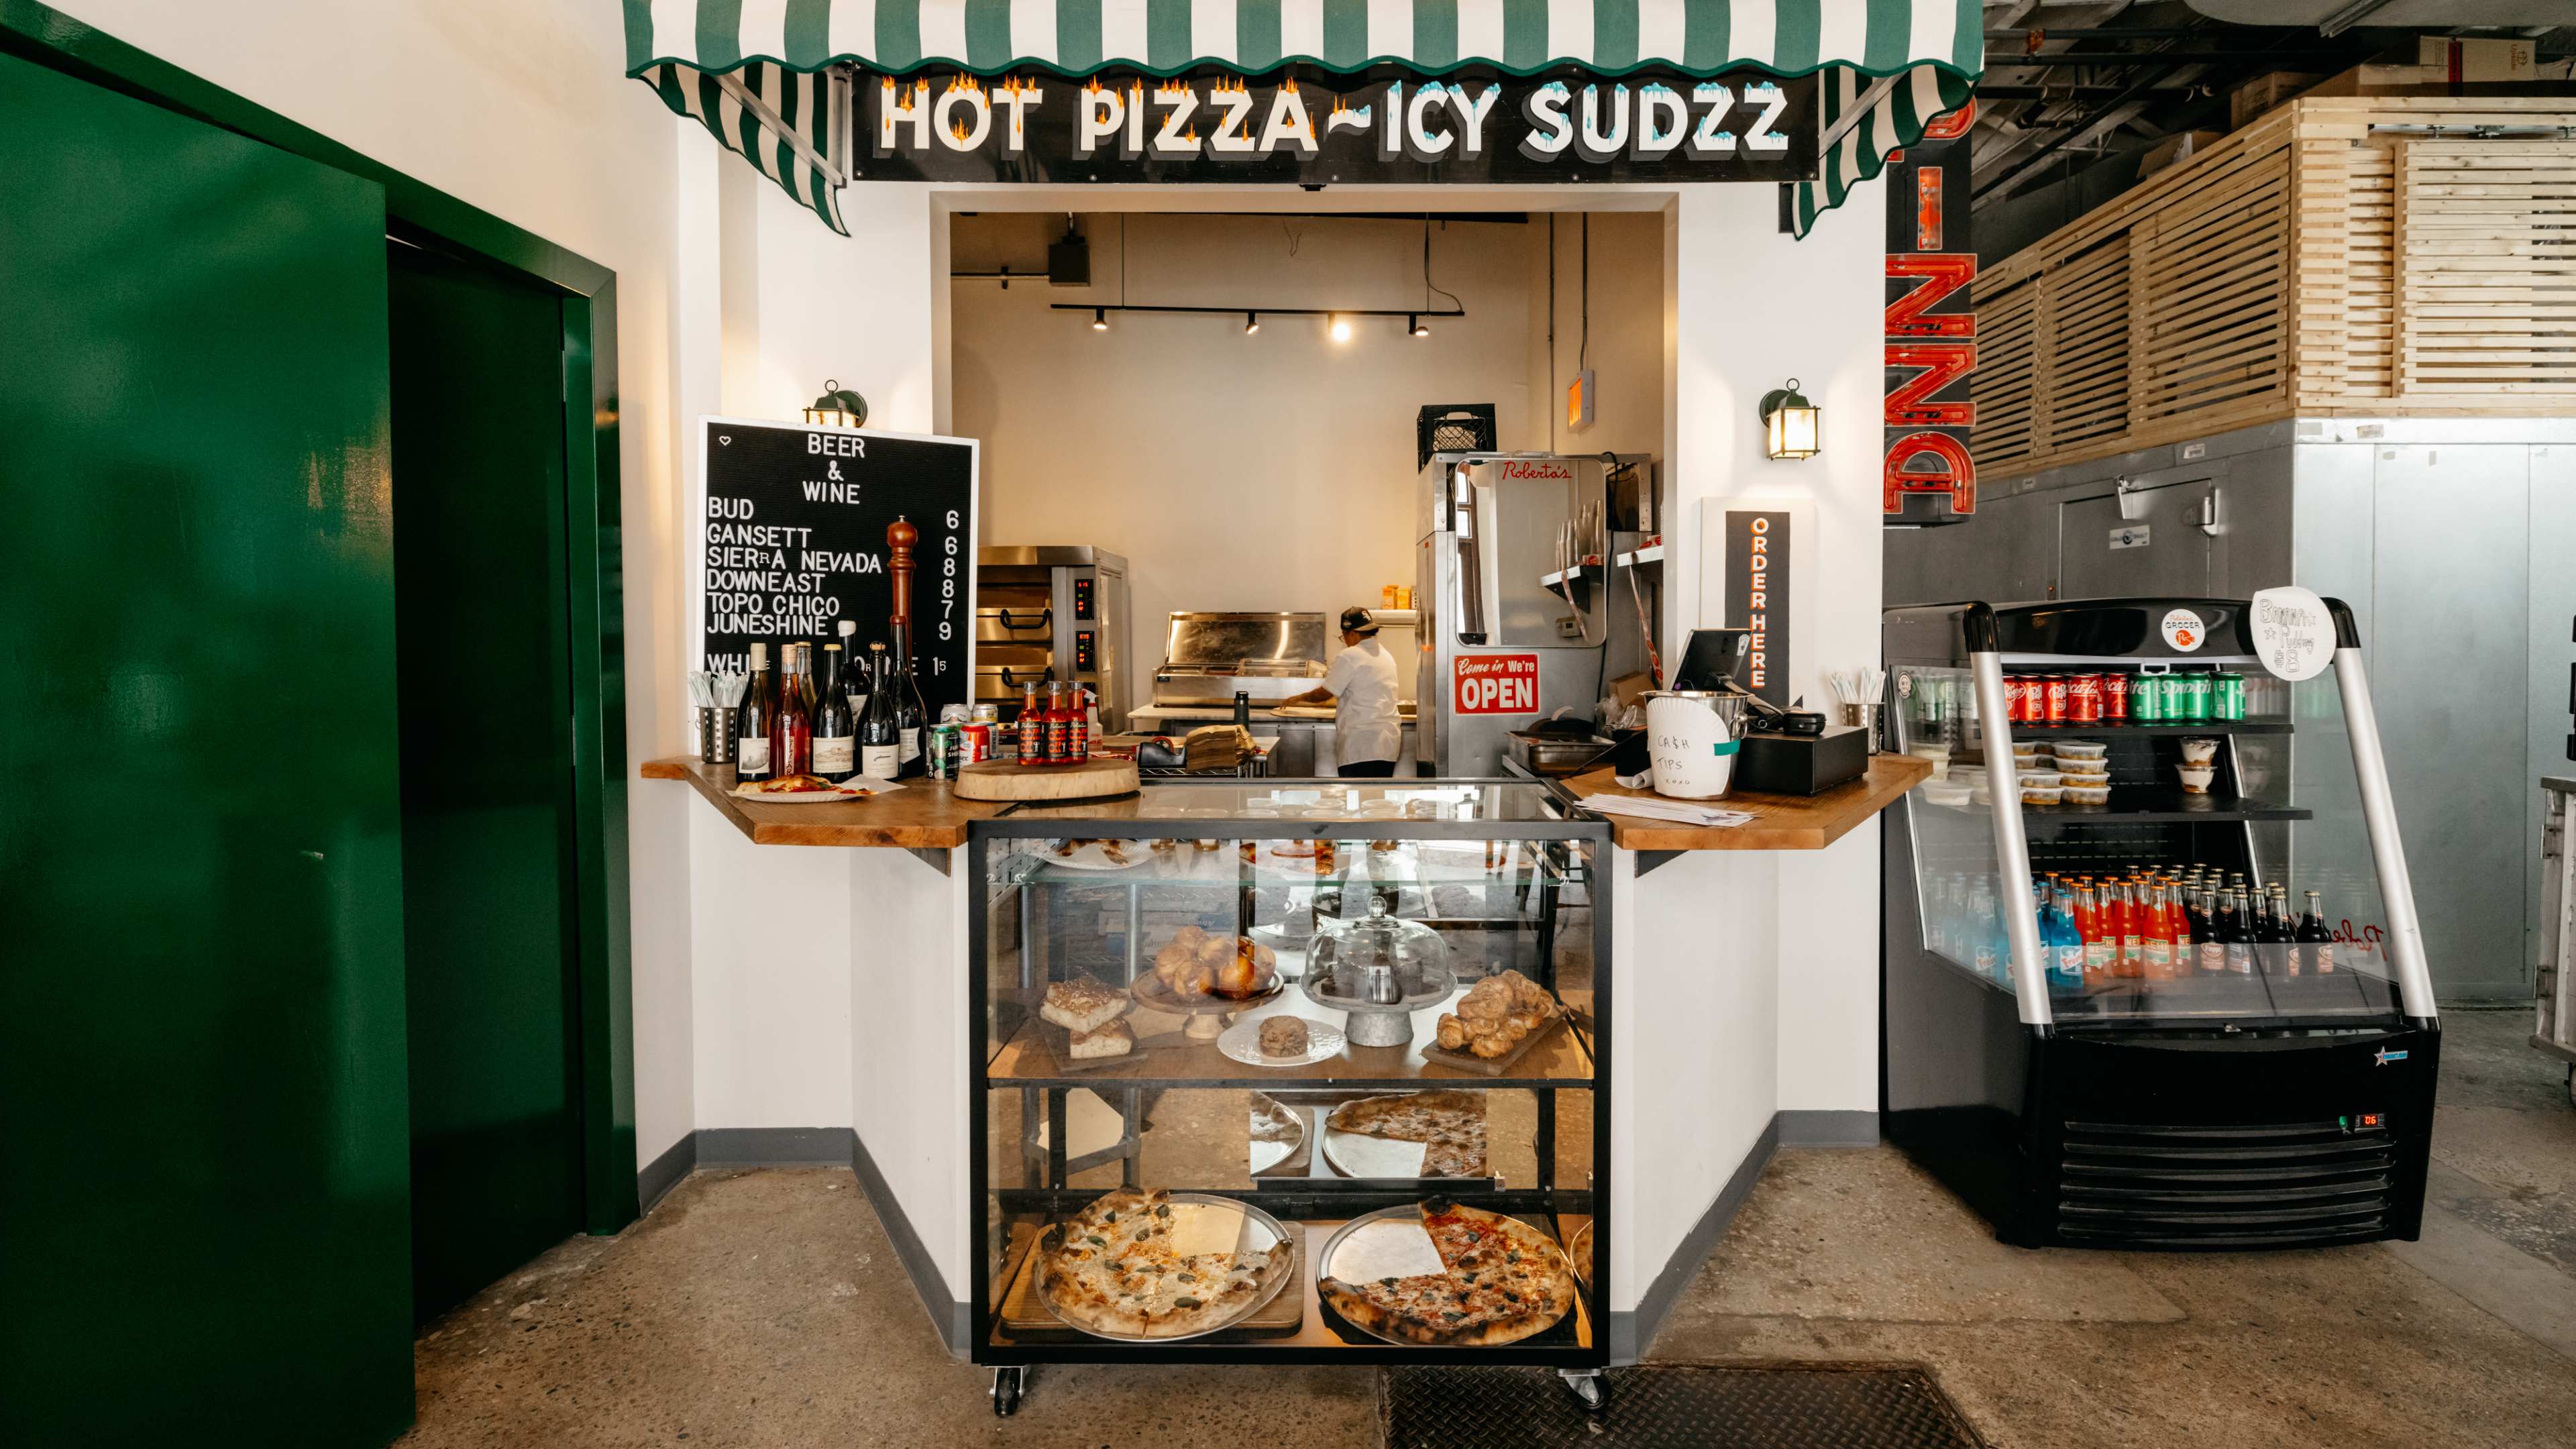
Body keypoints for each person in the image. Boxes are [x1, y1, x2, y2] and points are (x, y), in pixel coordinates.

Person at [1290, 606, 1403, 777]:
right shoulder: (1387, 655)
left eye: (1344, 636)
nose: (1345, 641)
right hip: (1388, 745)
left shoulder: (1350, 655)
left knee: (1356, 799)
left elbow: (1325, 693)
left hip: (1361, 745)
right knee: (1377, 801)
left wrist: (1297, 698)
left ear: (1353, 634)